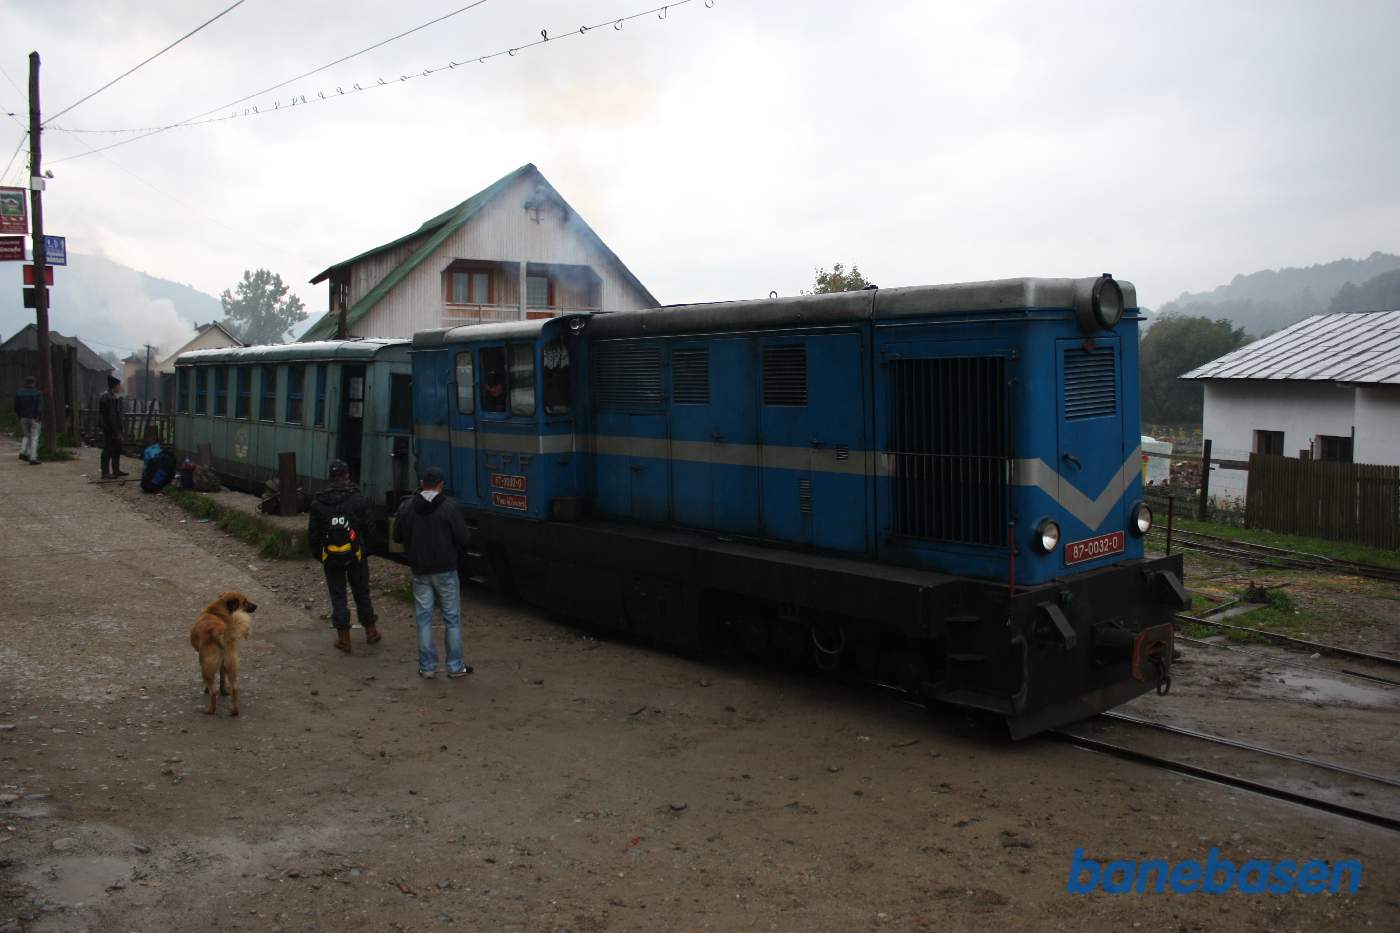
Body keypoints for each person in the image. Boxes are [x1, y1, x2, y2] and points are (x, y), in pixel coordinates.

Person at [394, 465, 471, 679]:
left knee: (424, 619)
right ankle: (455, 667)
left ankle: (428, 668)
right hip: (445, 569)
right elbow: (464, 539)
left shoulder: (407, 507)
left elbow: (397, 536)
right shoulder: (449, 507)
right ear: (441, 485)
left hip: (420, 570)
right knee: (451, 619)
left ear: (421, 484)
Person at [308, 460, 381, 652]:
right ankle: (371, 631)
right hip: (356, 555)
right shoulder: (358, 499)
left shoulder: (318, 503)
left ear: (329, 477)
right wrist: (365, 552)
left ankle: (344, 638)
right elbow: (371, 530)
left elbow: (313, 537)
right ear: (347, 476)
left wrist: (322, 555)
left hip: (331, 557)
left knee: (338, 596)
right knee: (362, 593)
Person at [98, 375, 128, 480]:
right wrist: (116, 432)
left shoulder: (111, 396)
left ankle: (116, 470)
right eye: (119, 385)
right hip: (109, 428)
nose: (120, 387)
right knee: (107, 450)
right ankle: (105, 473)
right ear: (114, 386)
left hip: (112, 427)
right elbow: (111, 417)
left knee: (116, 449)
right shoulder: (108, 398)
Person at [14, 376, 41, 465]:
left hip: (23, 417)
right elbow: (39, 407)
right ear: (33, 383)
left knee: (26, 436)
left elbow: (16, 407)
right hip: (33, 418)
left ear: (25, 383)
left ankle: (23, 452)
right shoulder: (37, 393)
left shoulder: (19, 392)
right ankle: (33, 458)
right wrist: (38, 417)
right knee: (34, 438)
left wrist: (19, 416)